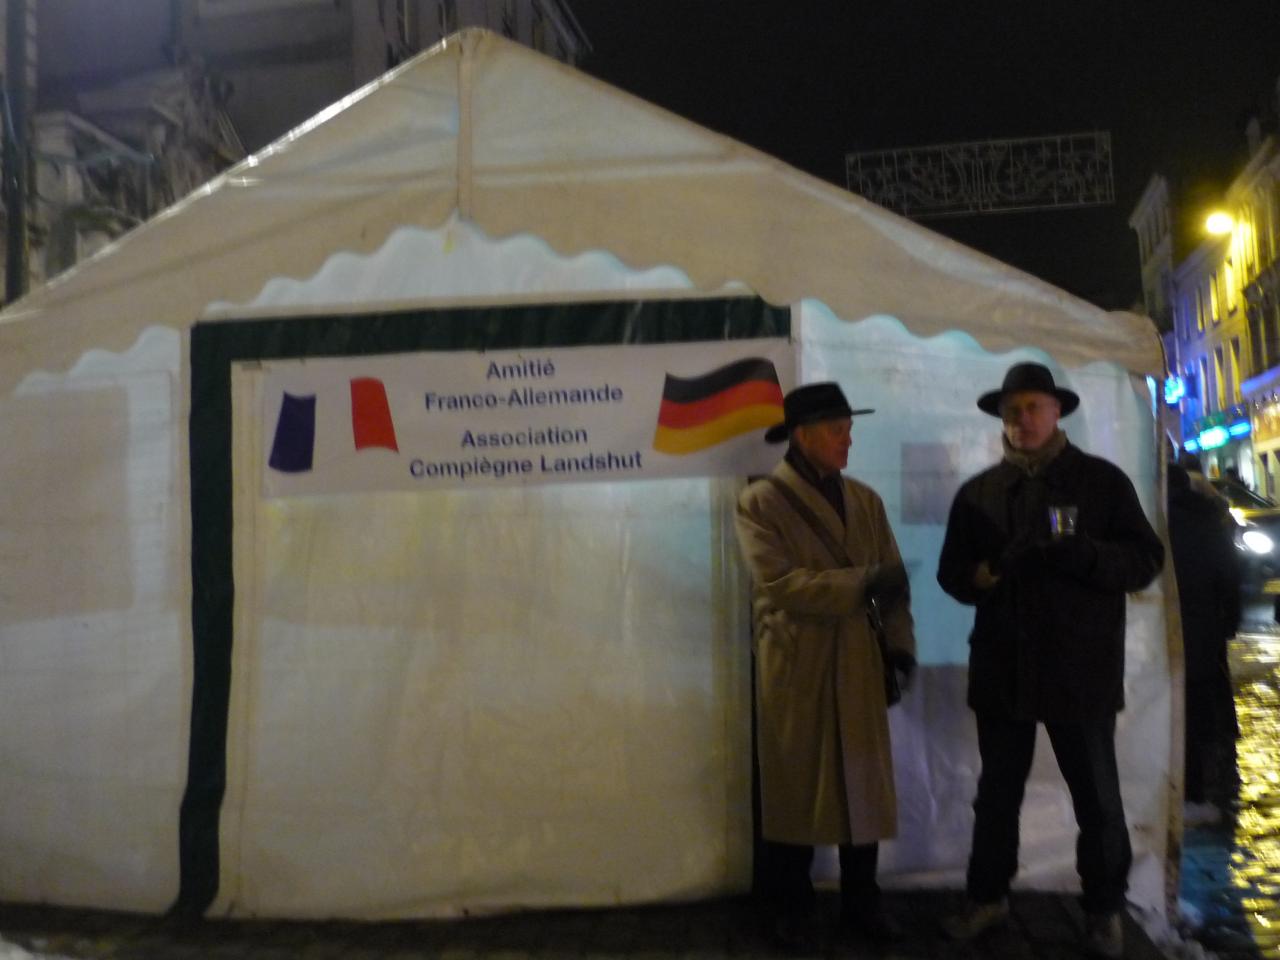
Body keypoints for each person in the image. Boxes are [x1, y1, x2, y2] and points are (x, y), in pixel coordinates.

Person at [936, 362, 1164, 959]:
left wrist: (1086, 556)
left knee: (1097, 797)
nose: (1022, 420)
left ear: (1057, 411)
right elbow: (950, 573)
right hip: (1004, 667)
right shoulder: (979, 492)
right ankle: (986, 899)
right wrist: (980, 576)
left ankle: (1103, 911)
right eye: (1013, 411)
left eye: (1033, 407)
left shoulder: (1101, 483)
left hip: (1079, 668)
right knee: (997, 794)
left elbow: (1145, 559)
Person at [734, 381, 916, 951]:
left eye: (848, 428)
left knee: (859, 781)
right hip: (800, 664)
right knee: (797, 783)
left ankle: (863, 901)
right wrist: (862, 582)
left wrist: (900, 648)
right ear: (803, 435)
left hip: (859, 660)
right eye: (838, 429)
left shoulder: (865, 500)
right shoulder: (759, 502)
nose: (848, 439)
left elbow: (895, 588)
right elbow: (782, 585)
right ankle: (790, 902)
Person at [1167, 461, 1241, 824]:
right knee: (1199, 712)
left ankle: (1182, 787)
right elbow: (1229, 576)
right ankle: (1199, 790)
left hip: (1158, 634)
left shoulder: (1151, 521)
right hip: (1202, 631)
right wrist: (1229, 621)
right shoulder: (1207, 522)